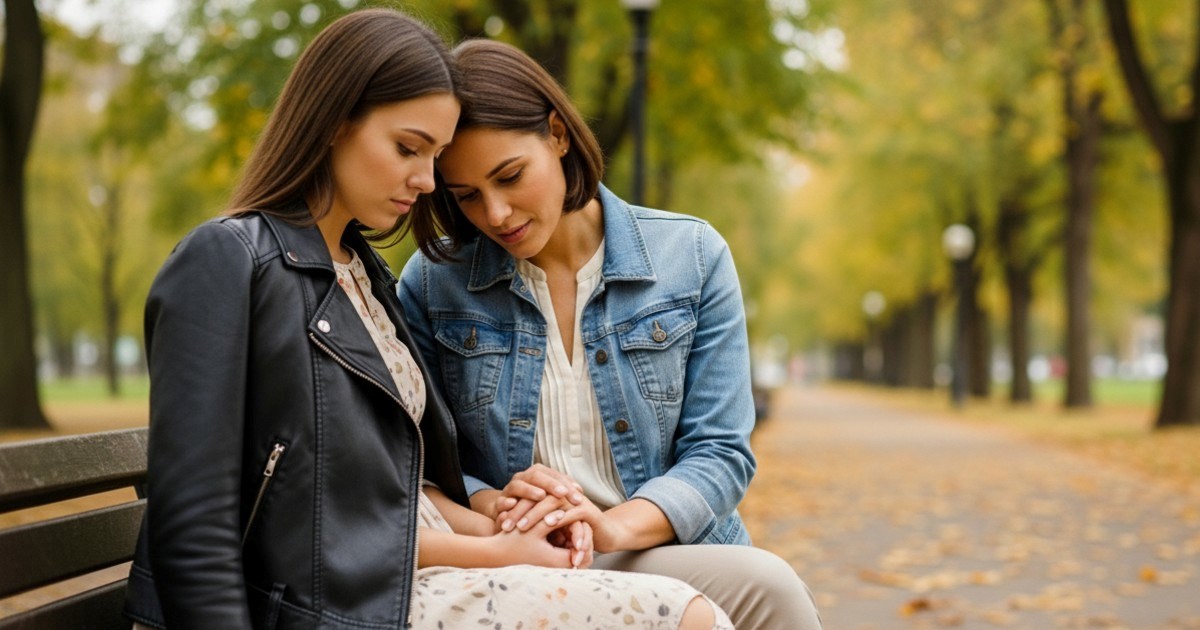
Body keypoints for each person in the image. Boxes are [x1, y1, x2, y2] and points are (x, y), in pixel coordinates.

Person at [123, 9, 731, 630]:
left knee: (720, 602)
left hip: (403, 583)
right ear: (333, 122)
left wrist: (504, 526)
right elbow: (194, 524)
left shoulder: (366, 274)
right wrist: (495, 548)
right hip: (331, 606)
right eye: (408, 148)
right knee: (682, 614)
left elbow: (402, 492)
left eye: (435, 156)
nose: (426, 180)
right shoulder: (229, 258)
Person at [399, 38, 822, 629]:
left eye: (510, 176)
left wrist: (611, 526)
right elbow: (421, 461)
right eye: (466, 195)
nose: (494, 214)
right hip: (514, 557)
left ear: (558, 134)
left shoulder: (691, 257)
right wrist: (498, 507)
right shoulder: (432, 282)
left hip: (658, 547)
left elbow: (720, 452)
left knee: (770, 587)